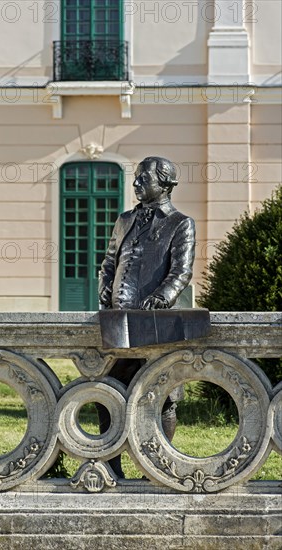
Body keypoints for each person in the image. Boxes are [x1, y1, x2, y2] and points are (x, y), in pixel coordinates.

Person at [97, 156, 196, 477]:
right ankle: (112, 466)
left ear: (164, 184)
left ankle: (157, 467)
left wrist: (163, 296)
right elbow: (110, 261)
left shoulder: (181, 224)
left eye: (143, 178)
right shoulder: (124, 219)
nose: (136, 183)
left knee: (162, 397)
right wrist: (104, 287)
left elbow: (181, 271)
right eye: (136, 177)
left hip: (157, 322)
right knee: (106, 390)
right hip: (119, 320)